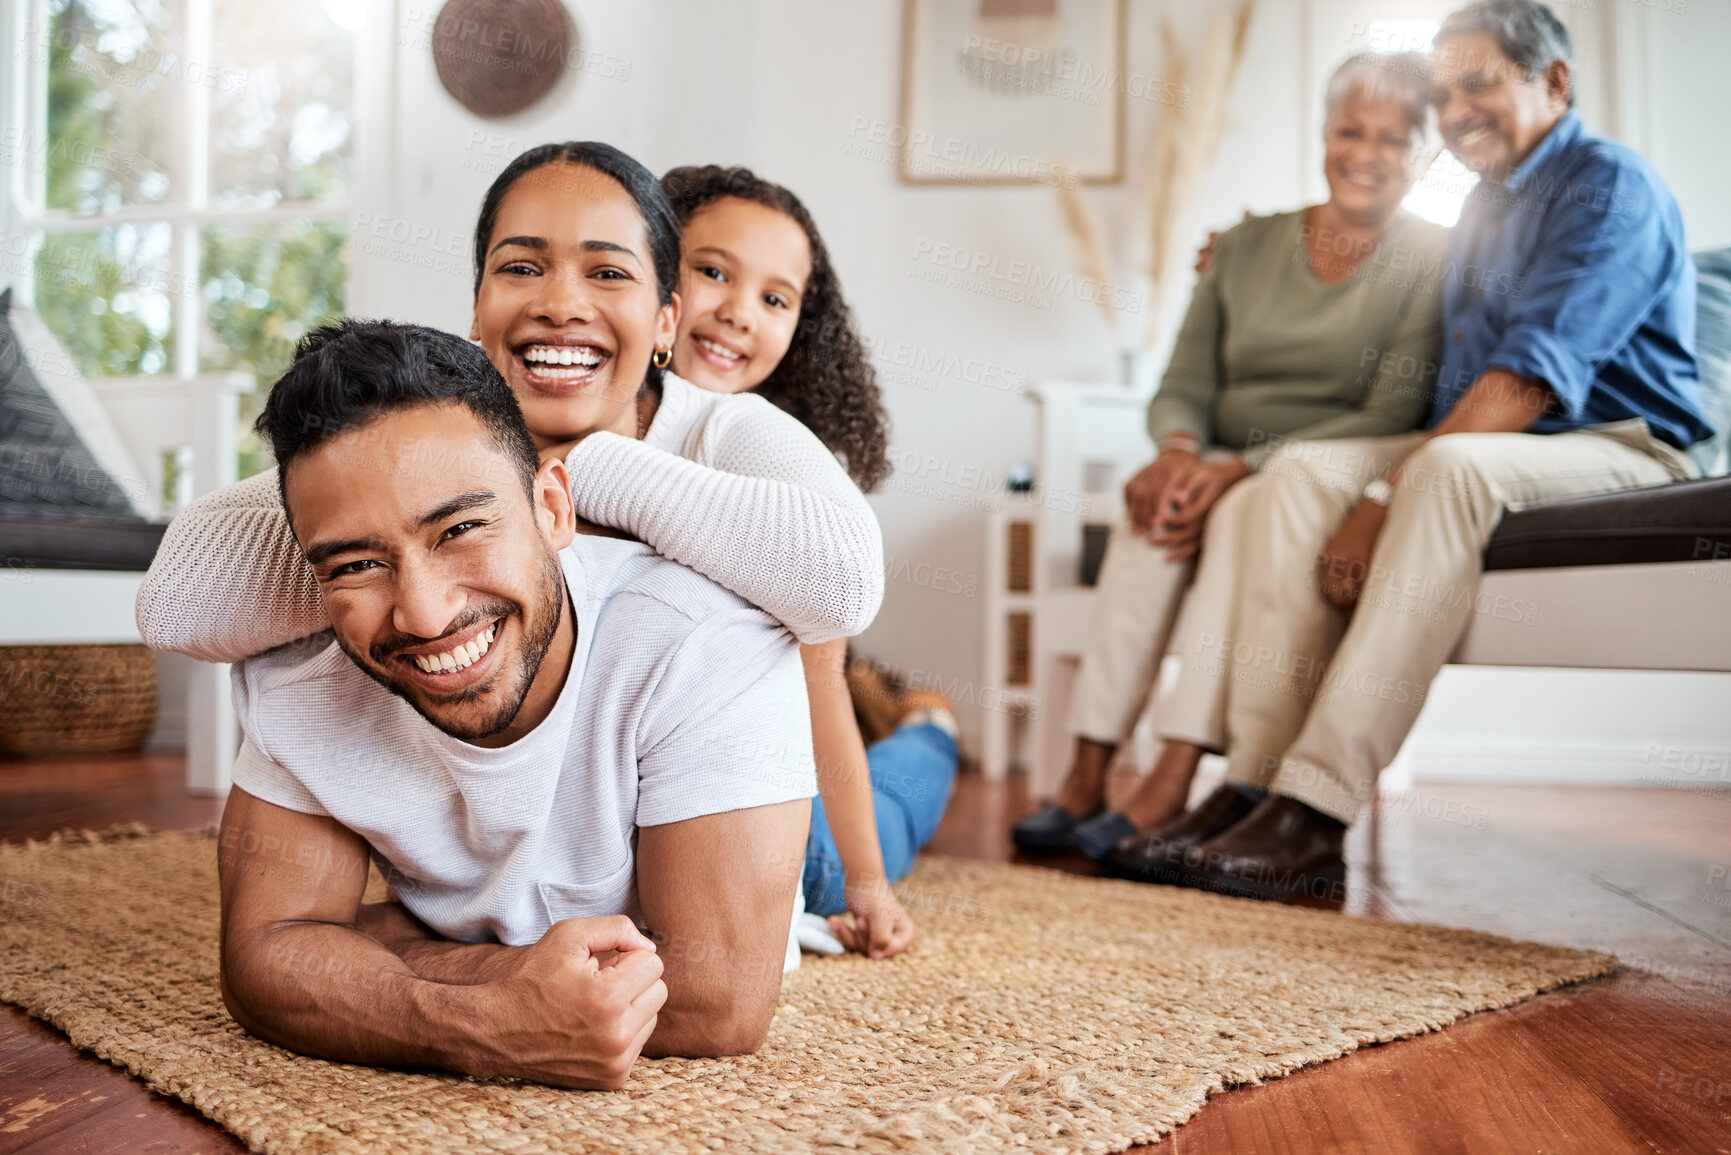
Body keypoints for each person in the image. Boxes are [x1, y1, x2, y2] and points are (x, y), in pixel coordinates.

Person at [1153, 0, 1713, 902]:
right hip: (1507, 441)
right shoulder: (1484, 206)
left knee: (1445, 470)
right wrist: (1257, 245)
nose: (1452, 114)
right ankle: (1254, 779)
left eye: (1477, 85)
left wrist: (1379, 501)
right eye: (1442, 95)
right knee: (1291, 475)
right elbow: (1387, 264)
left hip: (1619, 442)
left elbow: (1527, 383)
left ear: (1554, 81)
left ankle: (1315, 809)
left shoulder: (1610, 187)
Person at [216, 319, 817, 1089]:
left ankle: (917, 723)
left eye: (460, 528)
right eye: (357, 565)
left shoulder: (706, 640)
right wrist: (483, 1021)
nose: (424, 616)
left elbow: (718, 1000)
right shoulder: (305, 683)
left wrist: (382, 946)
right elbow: (261, 957)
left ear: (552, 508)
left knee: (884, 822)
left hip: (748, 808)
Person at [139, 143, 884, 664]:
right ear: (476, 305)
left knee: (892, 791)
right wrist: (437, 540)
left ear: (665, 319)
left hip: (727, 811)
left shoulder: (723, 427)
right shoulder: (434, 424)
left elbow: (844, 586)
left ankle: (927, 731)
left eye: (608, 272)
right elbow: (175, 603)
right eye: (521, 266)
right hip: (506, 834)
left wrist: (577, 475)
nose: (561, 303)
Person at [1011, 51, 1450, 862]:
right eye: (1350, 129)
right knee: (1150, 511)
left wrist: (1233, 469)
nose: (1367, 152)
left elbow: (1390, 407)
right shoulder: (1245, 245)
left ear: (1429, 152)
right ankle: (1087, 769)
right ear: (1321, 133)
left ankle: (1173, 771)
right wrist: (1181, 452)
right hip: (1218, 457)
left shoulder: (1433, 258)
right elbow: (1182, 380)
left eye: (1396, 137)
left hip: (1322, 466)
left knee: (1246, 505)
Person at [660, 164, 958, 959]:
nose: (736, 312)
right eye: (712, 270)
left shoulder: (784, 474)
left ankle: (930, 725)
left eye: (774, 298)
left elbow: (818, 689)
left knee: (835, 855)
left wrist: (868, 886)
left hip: (773, 778)